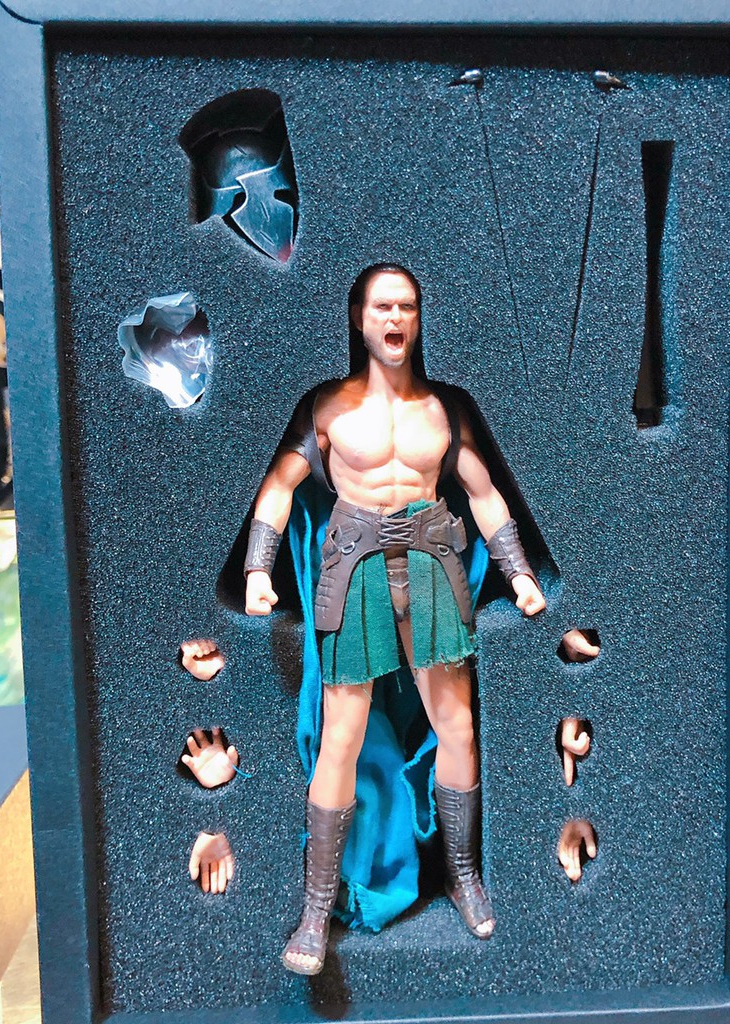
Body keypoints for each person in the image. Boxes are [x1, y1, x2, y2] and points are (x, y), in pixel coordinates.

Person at [245, 263, 545, 975]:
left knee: (457, 726)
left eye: (406, 306)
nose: (395, 318)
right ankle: (315, 911)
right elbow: (280, 486)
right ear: (358, 317)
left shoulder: (444, 409)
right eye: (382, 306)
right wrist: (259, 569)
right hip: (354, 563)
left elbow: (484, 493)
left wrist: (519, 572)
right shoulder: (328, 406)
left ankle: (464, 875)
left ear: (419, 316)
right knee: (341, 736)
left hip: (433, 556)